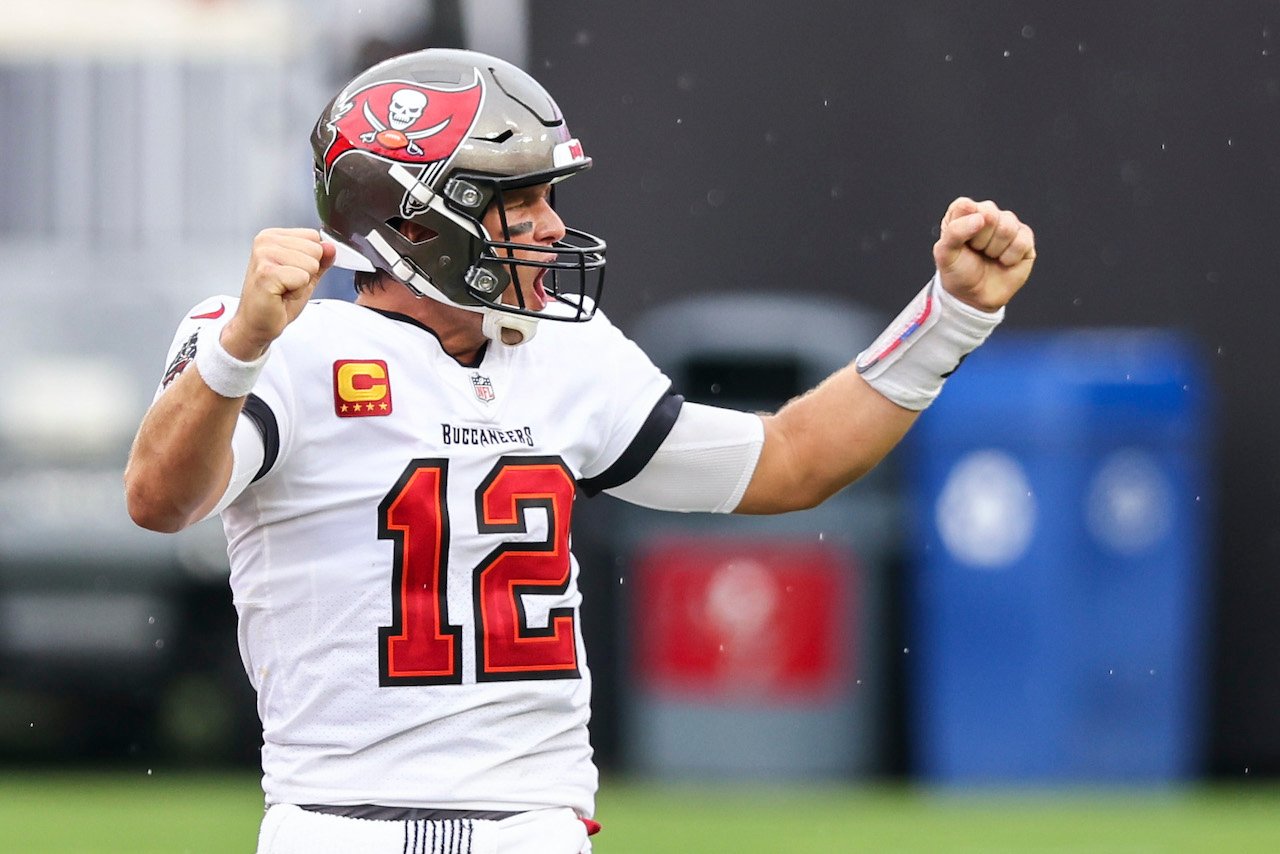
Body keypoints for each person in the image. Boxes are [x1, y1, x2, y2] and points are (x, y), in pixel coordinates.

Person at [124, 48, 1035, 854]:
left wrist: (949, 318)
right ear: (411, 222)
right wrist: (237, 349)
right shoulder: (272, 345)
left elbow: (792, 461)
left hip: (536, 823)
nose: (553, 227)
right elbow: (161, 499)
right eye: (518, 201)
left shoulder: (563, 353)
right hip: (340, 822)